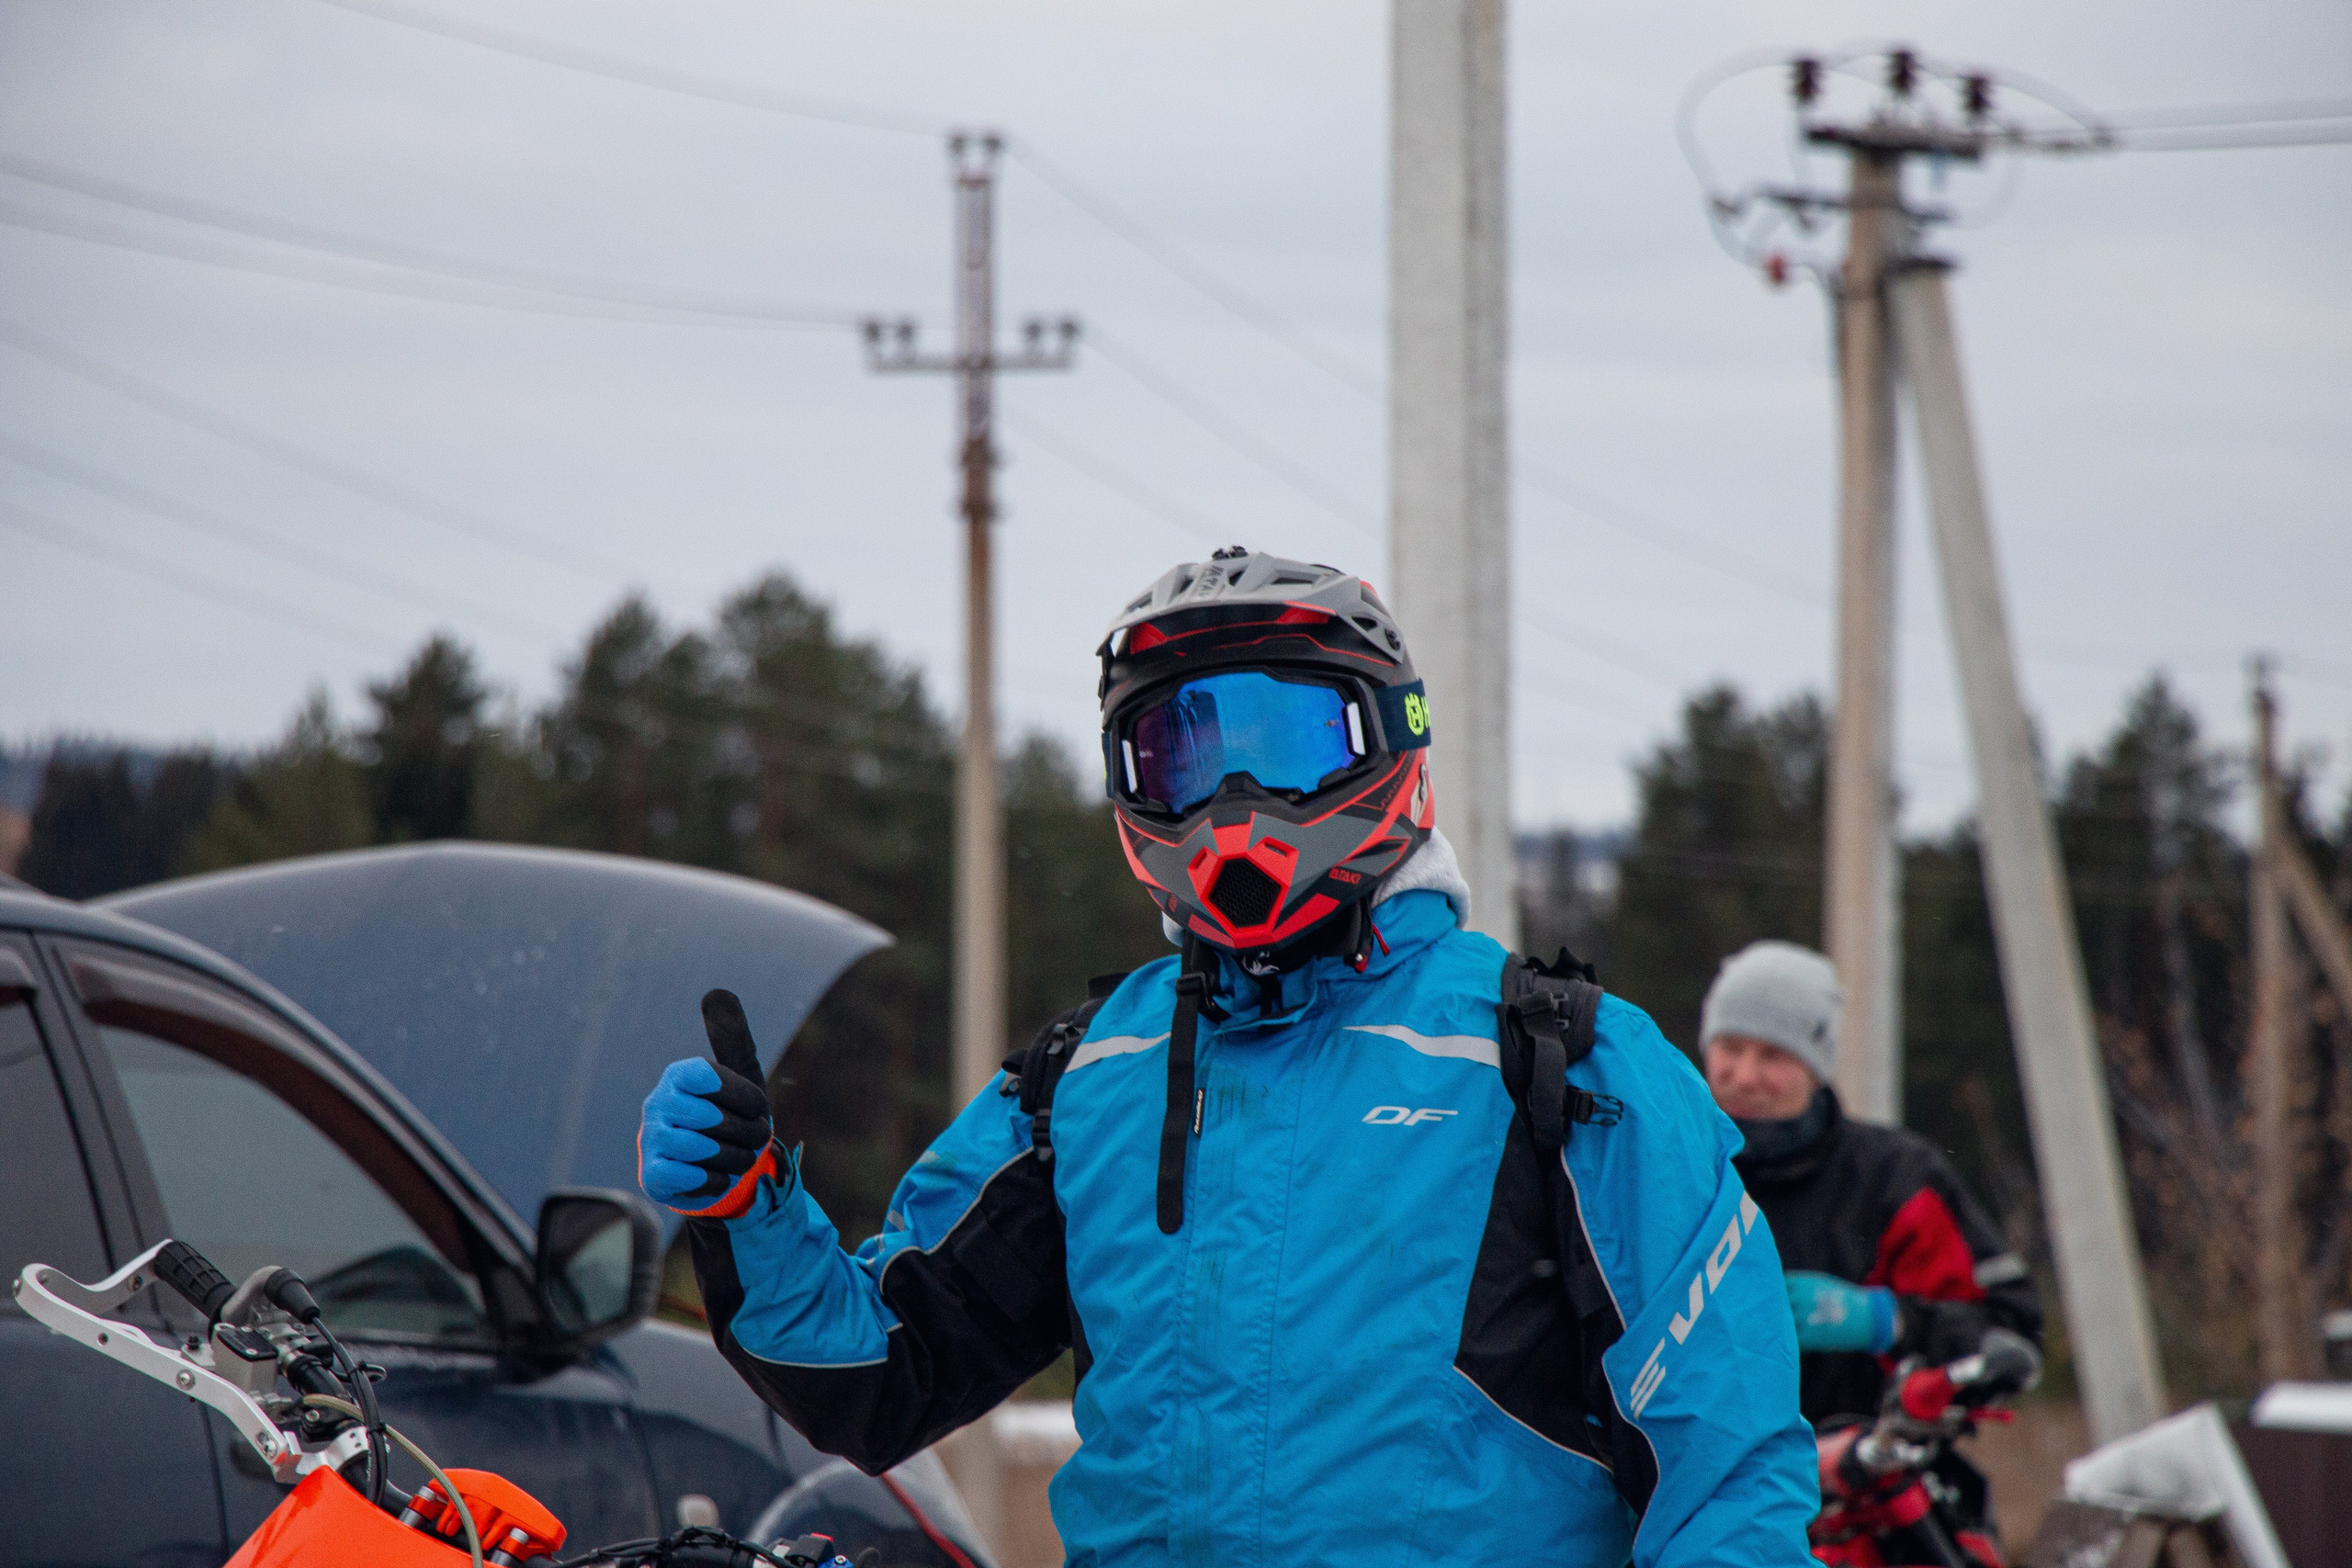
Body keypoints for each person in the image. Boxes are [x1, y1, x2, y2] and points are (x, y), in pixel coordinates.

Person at [641, 549, 1817, 1565]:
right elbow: (881, 1373)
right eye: (1182, 759)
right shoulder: (1088, 1081)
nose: (1236, 805)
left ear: (1389, 740)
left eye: (1293, 745)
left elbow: (1726, 1471)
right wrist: (749, 1208)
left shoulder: (1559, 1064)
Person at [1698, 941, 2042, 1520]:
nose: (1746, 1076)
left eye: (1775, 1056)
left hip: (1875, 1505)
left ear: (1817, 1064)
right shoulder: (1671, 1175)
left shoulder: (1896, 1181)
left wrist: (1887, 1321)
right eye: (1731, 1048)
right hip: (1703, 1500)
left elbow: (2012, 1328)